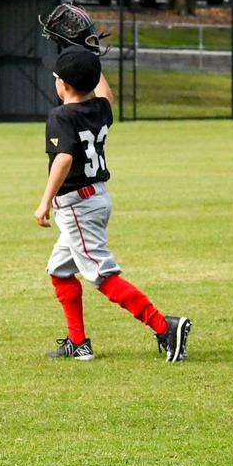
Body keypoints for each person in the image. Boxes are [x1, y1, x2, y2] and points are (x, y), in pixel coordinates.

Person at [33, 45, 192, 362]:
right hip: (95, 199)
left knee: (101, 275)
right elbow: (106, 93)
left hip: (77, 206)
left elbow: (63, 158)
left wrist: (44, 201)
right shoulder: (100, 109)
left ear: (62, 84)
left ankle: (165, 327)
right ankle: (79, 343)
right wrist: (92, 57)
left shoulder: (61, 116)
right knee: (59, 271)